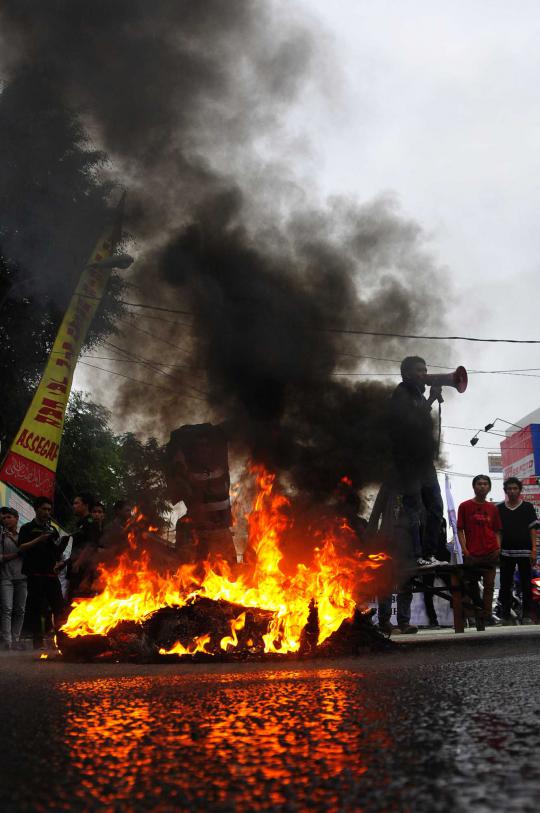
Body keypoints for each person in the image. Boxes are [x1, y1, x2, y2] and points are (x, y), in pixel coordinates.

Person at [389, 356, 445, 567]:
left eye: (425, 369)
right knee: (413, 510)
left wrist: (430, 400)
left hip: (424, 463)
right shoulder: (401, 393)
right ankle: (416, 556)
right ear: (407, 374)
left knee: (436, 508)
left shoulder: (419, 397)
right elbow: (409, 423)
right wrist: (431, 400)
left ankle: (429, 554)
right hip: (408, 463)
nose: (424, 374)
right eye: (419, 370)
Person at [18, 496, 67, 649]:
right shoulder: (27, 528)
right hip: (35, 573)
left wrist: (61, 549)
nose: (47, 512)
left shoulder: (52, 529)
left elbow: (57, 552)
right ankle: (37, 642)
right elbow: (22, 547)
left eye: (48, 509)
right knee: (36, 607)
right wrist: (39, 539)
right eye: (43, 509)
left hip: (51, 574)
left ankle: (63, 640)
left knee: (58, 607)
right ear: (36, 509)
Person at [457, 475, 502, 626]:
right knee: (471, 585)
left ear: (489, 487)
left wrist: (498, 547)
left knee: (489, 585)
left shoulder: (493, 508)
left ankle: (487, 615)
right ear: (474, 486)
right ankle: (475, 613)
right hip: (472, 554)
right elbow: (460, 530)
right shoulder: (464, 506)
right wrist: (465, 550)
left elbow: (497, 530)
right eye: (479, 484)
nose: (482, 486)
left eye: (485, 484)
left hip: (490, 552)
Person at [497, 477, 537, 625]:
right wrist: (498, 549)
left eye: (515, 488)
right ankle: (505, 615)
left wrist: (534, 549)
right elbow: (498, 532)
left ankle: (526, 614)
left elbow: (533, 529)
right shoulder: (499, 508)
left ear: (520, 490)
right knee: (505, 584)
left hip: (525, 552)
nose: (512, 491)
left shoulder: (527, 507)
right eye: (509, 489)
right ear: (505, 491)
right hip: (506, 552)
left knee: (526, 584)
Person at [0, 507, 27, 650]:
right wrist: (17, 554)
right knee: (6, 609)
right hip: (6, 577)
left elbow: (28, 552)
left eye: (9, 517)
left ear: (17, 518)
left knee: (20, 609)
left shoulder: (24, 535)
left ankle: (15, 638)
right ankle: (7, 641)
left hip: (22, 577)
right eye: (4, 518)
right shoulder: (1, 536)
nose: (6, 520)